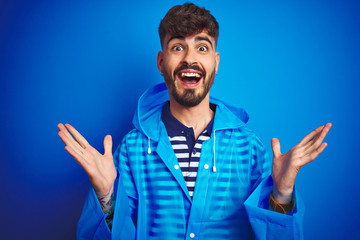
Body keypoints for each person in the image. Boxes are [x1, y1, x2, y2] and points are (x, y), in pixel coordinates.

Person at [58, 3, 331, 240]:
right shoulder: (132, 149)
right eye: (178, 47)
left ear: (215, 61)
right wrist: (105, 196)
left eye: (202, 47)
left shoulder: (249, 148)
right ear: (162, 62)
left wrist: (281, 194)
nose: (190, 58)